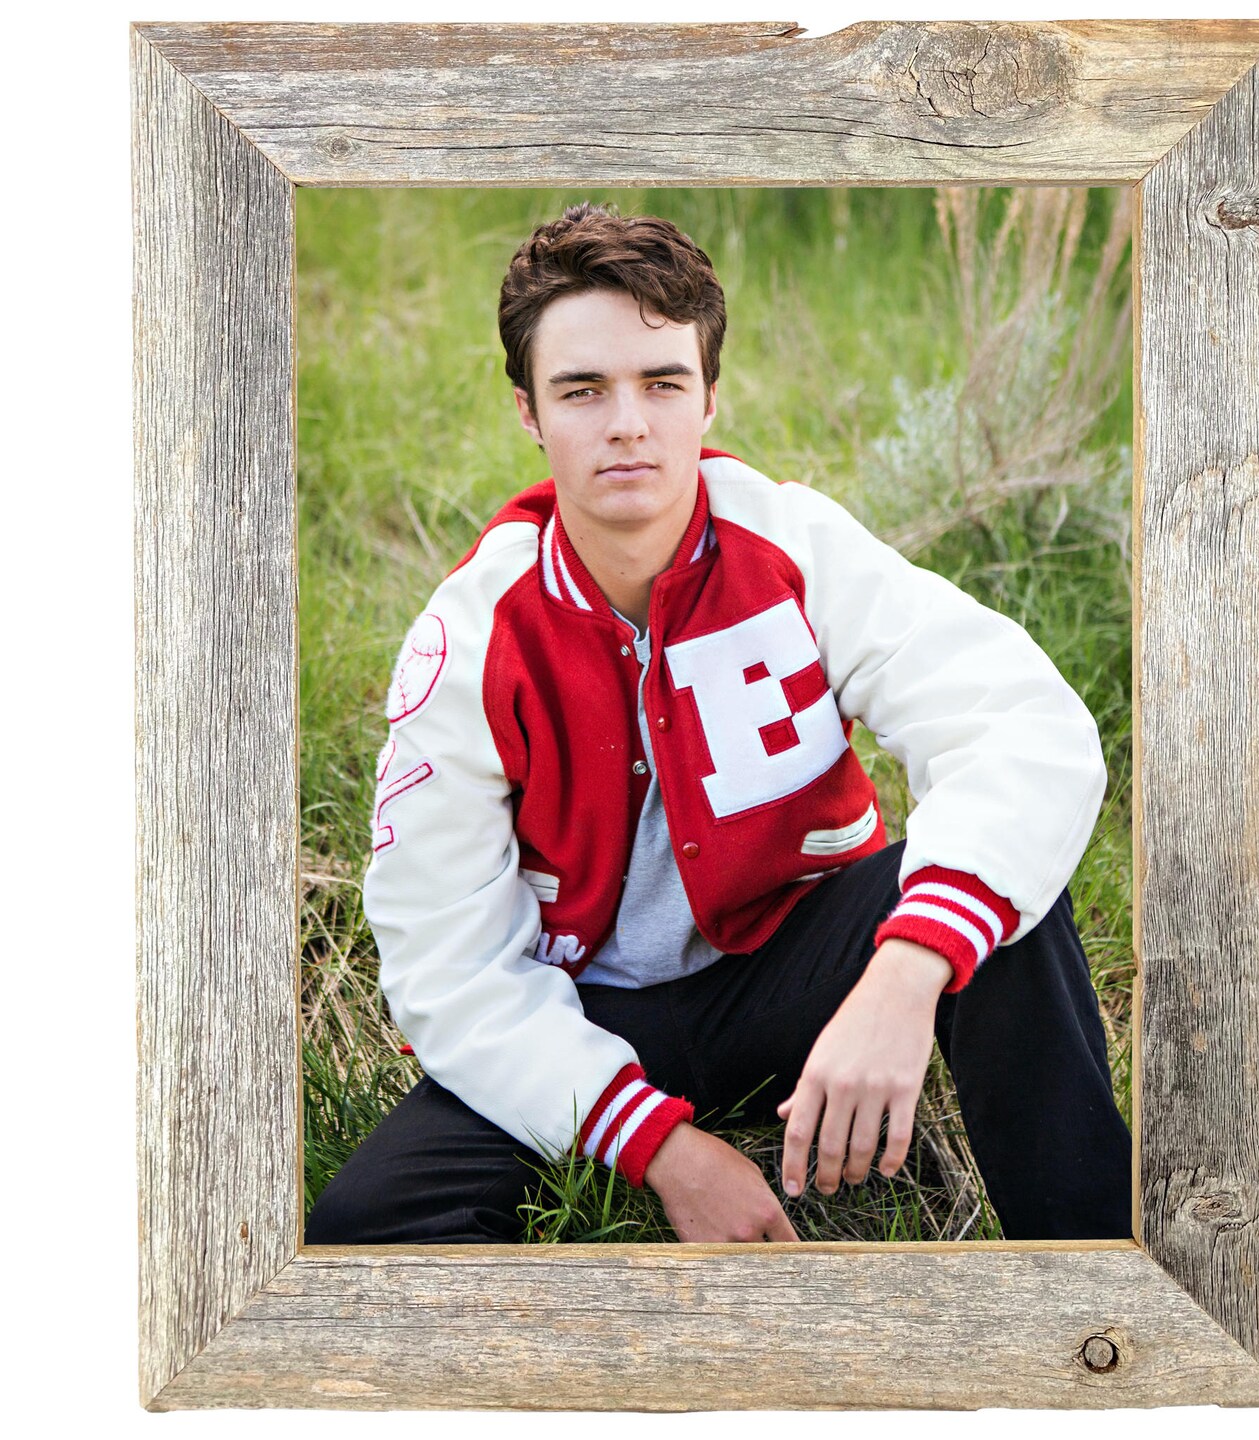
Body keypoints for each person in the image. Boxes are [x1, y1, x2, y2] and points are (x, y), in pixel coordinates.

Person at [306, 201, 1132, 1246]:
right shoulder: (473, 637)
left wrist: (906, 969)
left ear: (708, 398)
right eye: (582, 390)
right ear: (529, 413)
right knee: (364, 1223)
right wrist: (660, 1148)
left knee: (1002, 899)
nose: (627, 423)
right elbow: (448, 963)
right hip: (585, 1016)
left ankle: (1092, 1274)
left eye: (662, 383)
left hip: (795, 974)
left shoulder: (791, 545)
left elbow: (1019, 724)